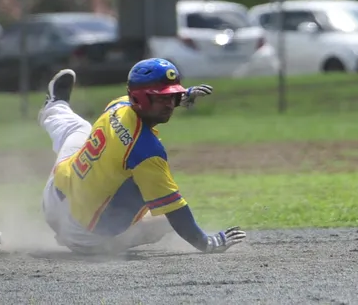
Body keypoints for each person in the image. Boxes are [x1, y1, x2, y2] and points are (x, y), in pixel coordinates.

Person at [37, 58, 247, 255]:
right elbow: (175, 209)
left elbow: (141, 103)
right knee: (165, 218)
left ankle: (55, 105)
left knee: (78, 129)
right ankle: (79, 241)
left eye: (172, 96)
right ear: (140, 98)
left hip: (55, 195)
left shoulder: (118, 106)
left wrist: (180, 97)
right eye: (161, 97)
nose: (168, 104)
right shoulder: (145, 150)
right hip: (83, 236)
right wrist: (206, 243)